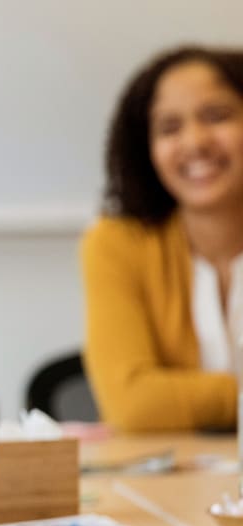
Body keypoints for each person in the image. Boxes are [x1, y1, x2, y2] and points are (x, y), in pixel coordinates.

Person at [82, 47, 243, 432]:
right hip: (169, 484)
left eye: (216, 117)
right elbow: (132, 404)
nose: (195, 141)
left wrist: (184, 398)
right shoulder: (116, 243)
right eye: (169, 128)